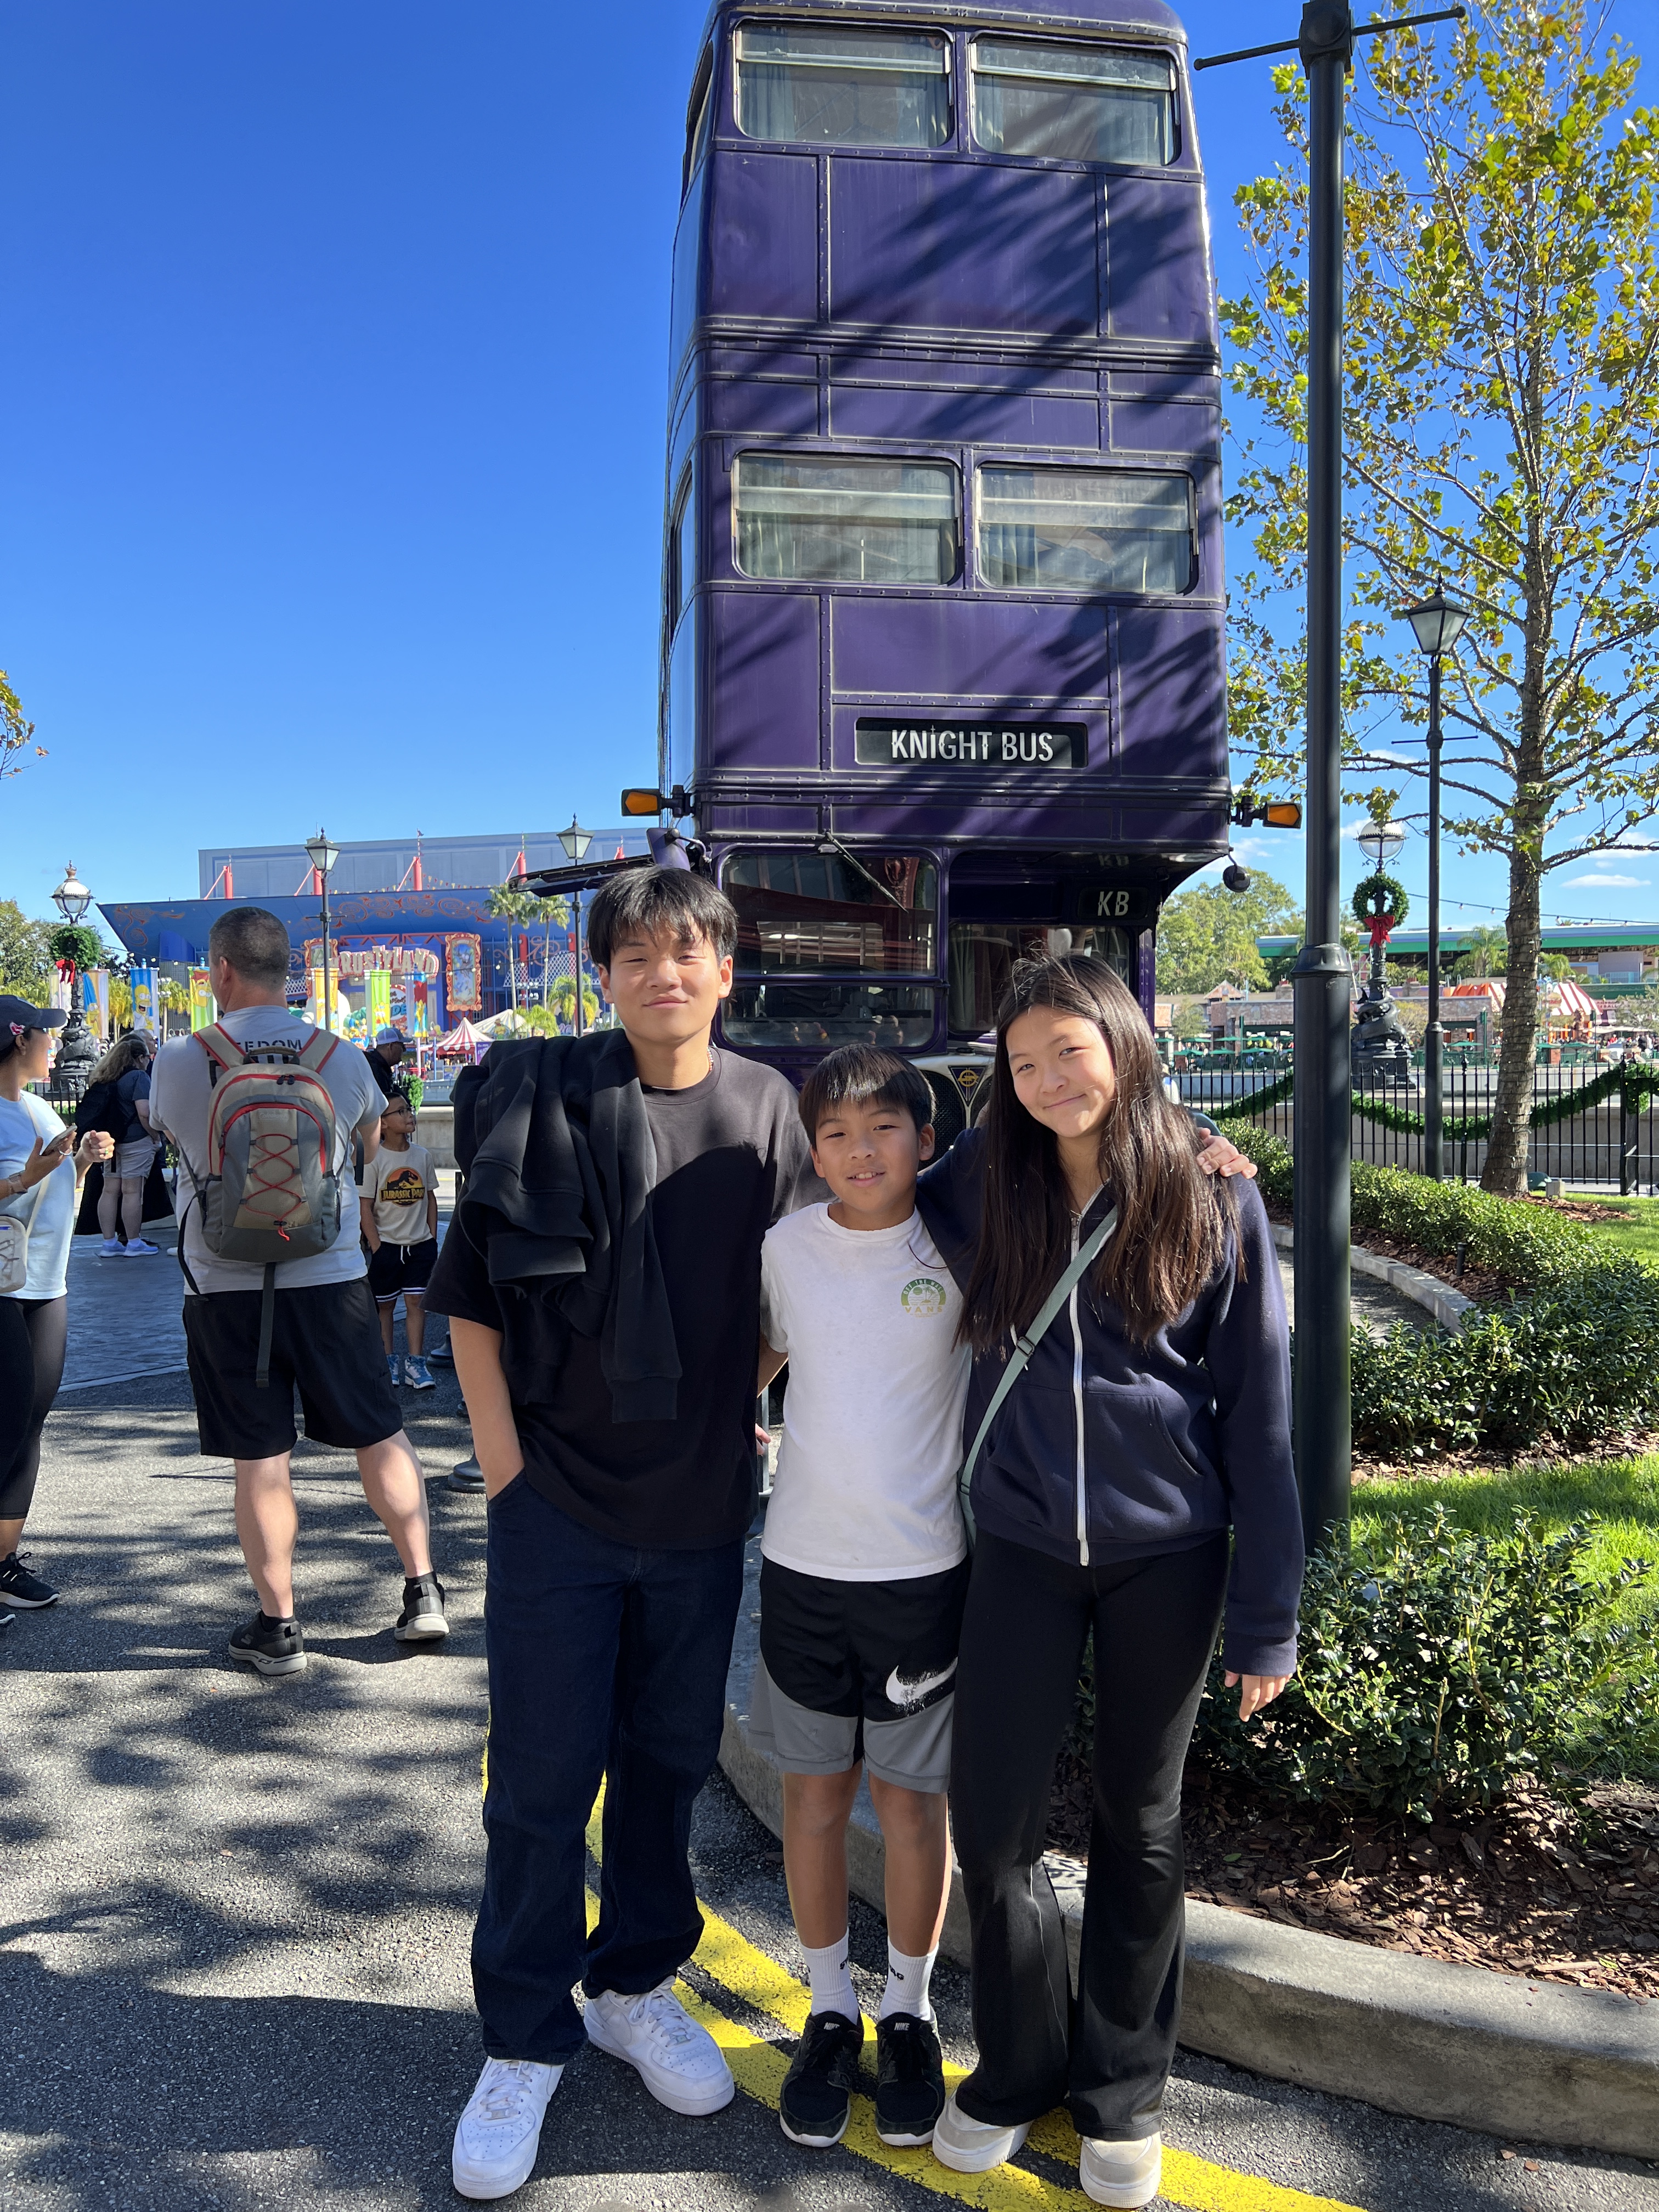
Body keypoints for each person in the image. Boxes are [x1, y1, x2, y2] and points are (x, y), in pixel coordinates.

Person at [426, 865, 827, 2203]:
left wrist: (731, 1408)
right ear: (604, 974)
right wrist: (505, 1471)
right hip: (554, 1506)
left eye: (687, 952)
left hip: (698, 1510)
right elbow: (469, 1299)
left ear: (727, 971)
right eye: (638, 954)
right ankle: (523, 2036)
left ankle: (634, 1987)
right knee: (541, 1785)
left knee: (664, 1768)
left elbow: (815, 1278)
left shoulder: (767, 1109)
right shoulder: (540, 1094)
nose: (664, 973)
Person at [916, 956, 1304, 2208]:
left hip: (1168, 1559)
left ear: (1124, 1044)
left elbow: (1259, 1416)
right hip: (1023, 1550)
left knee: (1141, 1824)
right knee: (993, 1826)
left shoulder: (1212, 1195)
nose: (1047, 1081)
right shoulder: (986, 1182)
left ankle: (1123, 2089)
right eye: (1023, 1063)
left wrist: (1268, 1618)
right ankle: (1018, 2066)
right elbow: (888, 1159)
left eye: (1068, 1052)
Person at [753, 1045, 969, 2154]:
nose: (860, 1150)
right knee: (813, 1799)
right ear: (813, 1149)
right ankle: (830, 2006)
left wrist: (1205, 1151)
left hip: (921, 1575)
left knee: (912, 1806)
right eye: (834, 1133)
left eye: (883, 1127)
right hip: (800, 1570)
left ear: (925, 1141)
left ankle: (911, 2012)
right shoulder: (785, 1247)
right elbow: (757, 1356)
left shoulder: (961, 1246)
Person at [148, 907, 449, 1676]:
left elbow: (178, 1143)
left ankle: (279, 1627)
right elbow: (366, 1149)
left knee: (261, 1458)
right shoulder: (341, 1058)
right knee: (380, 1433)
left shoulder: (182, 1058)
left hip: (223, 1285)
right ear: (287, 972)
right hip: (332, 1277)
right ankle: (422, 1589)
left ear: (220, 970)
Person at [0, 997, 116, 1616]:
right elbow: (23, 1185)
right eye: (47, 1034)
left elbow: (56, 1195)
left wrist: (82, 1163)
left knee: (29, 1423)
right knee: (6, 1421)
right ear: (18, 1041)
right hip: (2, 1288)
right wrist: (24, 1177)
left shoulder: (40, 1107)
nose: (57, 1044)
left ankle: (3, 1562)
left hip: (47, 1282)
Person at [360, 1091, 439, 1390]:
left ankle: (416, 1363)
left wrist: (431, 1238)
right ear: (383, 1122)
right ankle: (388, 1359)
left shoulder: (422, 1156)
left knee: (417, 1303)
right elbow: (365, 1206)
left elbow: (430, 1198)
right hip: (388, 1247)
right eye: (401, 1111)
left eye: (409, 1109)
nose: (410, 1115)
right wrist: (377, 1246)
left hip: (419, 1246)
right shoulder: (374, 1159)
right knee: (386, 1307)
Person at [82, 1032, 161, 1256]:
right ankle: (134, 1243)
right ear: (139, 1058)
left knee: (109, 1191)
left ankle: (109, 1243)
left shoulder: (109, 1076)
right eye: (147, 1058)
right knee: (132, 1192)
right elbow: (144, 1113)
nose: (148, 1061)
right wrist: (155, 1137)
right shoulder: (138, 1077)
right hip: (136, 1141)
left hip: (112, 1142)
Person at [366, 1025, 408, 1101]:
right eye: (402, 1046)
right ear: (391, 1046)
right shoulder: (375, 1069)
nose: (405, 1050)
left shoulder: (379, 1066)